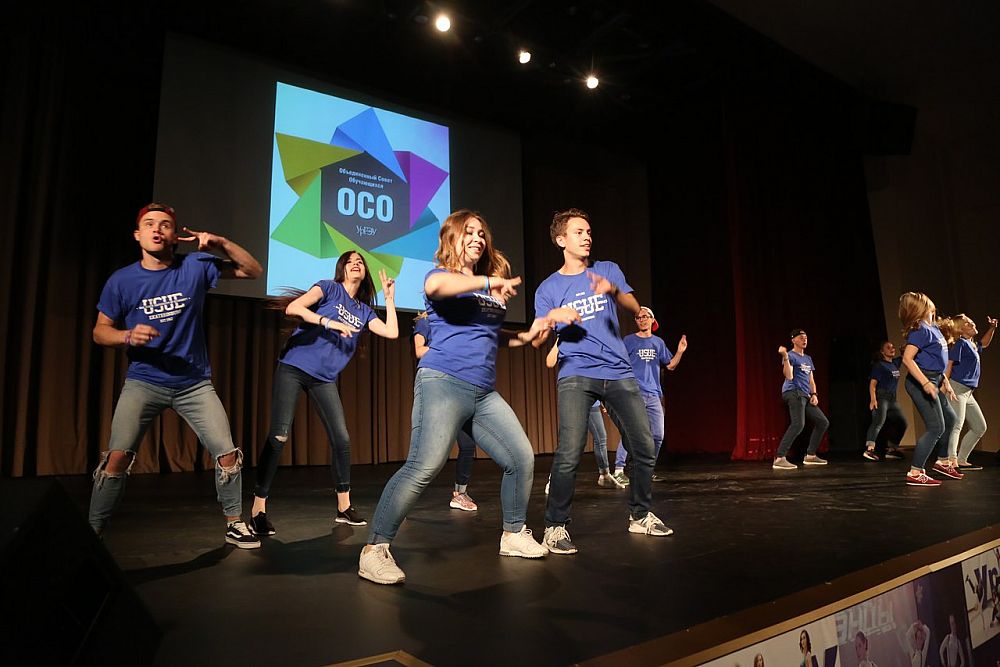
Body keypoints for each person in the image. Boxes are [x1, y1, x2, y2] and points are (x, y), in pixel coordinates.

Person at [358, 209, 576, 584]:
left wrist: (531, 332)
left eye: (481, 233)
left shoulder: (485, 288)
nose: (477, 238)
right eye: (468, 232)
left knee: (520, 457)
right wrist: (489, 280)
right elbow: (438, 288)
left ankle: (513, 534)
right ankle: (374, 549)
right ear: (451, 239)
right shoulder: (440, 276)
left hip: (483, 391)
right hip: (443, 381)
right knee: (424, 466)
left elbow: (492, 334)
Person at [89, 203, 263, 548]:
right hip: (144, 381)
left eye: (165, 225)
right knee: (117, 456)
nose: (157, 229)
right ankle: (93, 529)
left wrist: (221, 243)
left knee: (227, 454)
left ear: (175, 236)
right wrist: (126, 336)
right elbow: (99, 331)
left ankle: (234, 522)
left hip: (194, 383)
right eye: (149, 224)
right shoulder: (122, 280)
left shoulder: (194, 266)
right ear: (137, 235)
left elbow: (252, 270)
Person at [534, 207, 672, 557]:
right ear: (561, 240)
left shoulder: (607, 269)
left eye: (589, 231)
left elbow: (635, 307)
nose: (587, 237)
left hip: (619, 371)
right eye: (578, 232)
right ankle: (554, 526)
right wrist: (551, 318)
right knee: (569, 452)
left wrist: (613, 290)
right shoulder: (549, 288)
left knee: (644, 446)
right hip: (576, 372)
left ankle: (639, 515)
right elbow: (538, 339)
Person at [249, 251, 399, 536]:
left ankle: (344, 507)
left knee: (342, 439)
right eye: (350, 261)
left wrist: (390, 299)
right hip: (294, 367)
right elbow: (294, 308)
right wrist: (329, 322)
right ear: (341, 268)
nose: (356, 264)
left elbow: (391, 332)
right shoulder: (328, 288)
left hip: (324, 379)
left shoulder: (364, 311)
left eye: (360, 261)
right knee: (279, 437)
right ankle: (258, 510)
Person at [611, 306, 687, 483]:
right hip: (633, 393)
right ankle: (619, 470)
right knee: (630, 431)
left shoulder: (658, 342)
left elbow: (670, 365)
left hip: (653, 395)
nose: (642, 319)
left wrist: (680, 352)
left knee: (658, 435)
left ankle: (646, 469)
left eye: (646, 316)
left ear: (653, 320)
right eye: (639, 317)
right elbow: (618, 365)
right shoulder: (628, 340)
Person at [413, 311, 479, 510]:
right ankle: (400, 496)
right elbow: (419, 350)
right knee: (426, 451)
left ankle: (460, 494)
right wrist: (447, 348)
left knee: (467, 444)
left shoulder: (455, 325)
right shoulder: (426, 322)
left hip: (459, 387)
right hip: (437, 388)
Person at [544, 341, 624, 490]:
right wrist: (558, 341)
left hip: (593, 400)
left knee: (601, 437)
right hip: (574, 398)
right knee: (569, 442)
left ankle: (604, 475)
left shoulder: (591, 340)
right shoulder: (565, 339)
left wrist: (604, 399)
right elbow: (550, 362)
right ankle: (554, 479)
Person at [899, 292, 959, 485]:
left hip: (935, 379)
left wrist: (945, 381)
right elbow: (907, 359)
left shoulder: (933, 327)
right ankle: (915, 472)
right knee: (936, 427)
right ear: (920, 307)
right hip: (921, 382)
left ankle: (942, 461)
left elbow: (936, 359)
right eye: (924, 300)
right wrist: (925, 383)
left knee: (951, 419)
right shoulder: (920, 330)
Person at [773, 329, 830, 469]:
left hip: (805, 394)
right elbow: (789, 376)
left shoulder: (808, 358)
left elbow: (811, 380)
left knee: (822, 422)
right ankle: (779, 457)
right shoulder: (790, 356)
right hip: (793, 392)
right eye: (801, 337)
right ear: (793, 340)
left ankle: (810, 455)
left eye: (806, 337)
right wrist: (785, 357)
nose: (804, 340)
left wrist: (814, 394)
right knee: (798, 424)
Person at [945, 314, 995, 471]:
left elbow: (984, 344)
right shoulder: (960, 344)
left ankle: (962, 460)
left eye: (971, 321)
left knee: (979, 427)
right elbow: (949, 364)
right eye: (967, 323)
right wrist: (946, 386)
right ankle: (951, 461)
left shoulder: (972, 344)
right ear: (960, 329)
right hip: (957, 388)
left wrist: (992, 328)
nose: (972, 324)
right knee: (957, 425)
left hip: (968, 392)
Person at [863, 341, 907, 461]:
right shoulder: (879, 365)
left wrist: (903, 348)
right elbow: (872, 384)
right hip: (882, 397)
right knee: (878, 422)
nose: (892, 349)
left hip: (892, 399)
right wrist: (873, 399)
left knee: (902, 423)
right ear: (882, 352)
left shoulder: (895, 363)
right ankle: (869, 449)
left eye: (893, 347)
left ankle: (892, 449)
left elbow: (905, 356)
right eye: (888, 348)